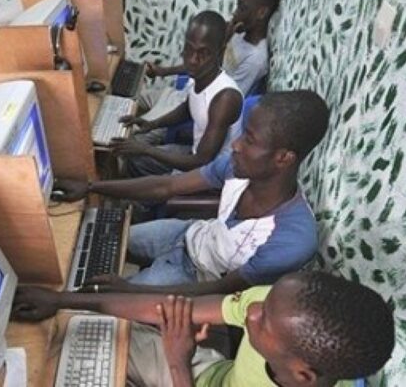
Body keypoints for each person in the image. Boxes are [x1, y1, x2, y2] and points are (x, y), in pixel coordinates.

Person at [55, 90, 329, 296]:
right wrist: (91, 187)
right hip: (187, 235)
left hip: (198, 279)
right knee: (95, 239)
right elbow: (167, 186)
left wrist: (130, 290)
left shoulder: (292, 240)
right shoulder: (237, 167)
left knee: (107, 296)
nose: (235, 144)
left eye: (249, 139)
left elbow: (221, 290)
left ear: (283, 158)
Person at [12, 271, 395, 387]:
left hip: (185, 371)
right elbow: (171, 309)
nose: (252, 310)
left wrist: (178, 363)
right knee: (78, 335)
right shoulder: (277, 306)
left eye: (263, 320)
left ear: (303, 374)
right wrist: (61, 299)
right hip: (202, 372)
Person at [115, 11, 243, 177]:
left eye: (203, 53)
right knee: (136, 160)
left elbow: (201, 162)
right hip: (196, 154)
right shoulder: (203, 77)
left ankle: (148, 193)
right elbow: (188, 109)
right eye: (189, 49)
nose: (192, 60)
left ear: (220, 52)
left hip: (210, 175)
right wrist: (151, 124)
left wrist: (147, 150)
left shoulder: (225, 98)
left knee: (139, 162)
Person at [148, 0, 281, 97]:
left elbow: (225, 99)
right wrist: (163, 71)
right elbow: (201, 63)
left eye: (242, 8)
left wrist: (224, 42)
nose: (235, 13)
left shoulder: (255, 60)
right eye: (238, 6)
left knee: (143, 107)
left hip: (202, 102)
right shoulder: (238, 33)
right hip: (190, 90)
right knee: (143, 96)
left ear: (261, 13)